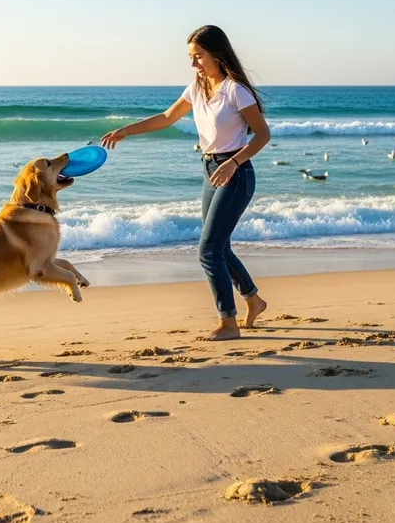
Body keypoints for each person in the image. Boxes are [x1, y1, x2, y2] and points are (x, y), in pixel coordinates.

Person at [101, 25, 271, 340]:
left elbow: (263, 135)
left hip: (235, 172)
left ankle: (228, 322)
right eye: (191, 57)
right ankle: (254, 300)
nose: (194, 64)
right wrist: (126, 130)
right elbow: (166, 118)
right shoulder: (197, 87)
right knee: (219, 247)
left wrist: (234, 163)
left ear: (217, 54)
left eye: (199, 56)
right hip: (211, 169)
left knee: (208, 250)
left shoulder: (236, 91)